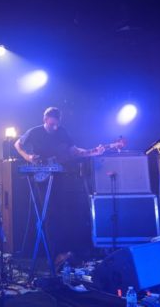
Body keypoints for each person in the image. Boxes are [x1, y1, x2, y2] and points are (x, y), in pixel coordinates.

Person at [14, 107, 105, 269]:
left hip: (58, 175)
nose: (54, 128)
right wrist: (28, 157)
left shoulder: (62, 132)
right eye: (51, 125)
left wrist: (92, 152)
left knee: (61, 214)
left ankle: (62, 255)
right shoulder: (34, 132)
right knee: (49, 214)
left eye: (56, 125)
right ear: (45, 120)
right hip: (41, 175)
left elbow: (74, 151)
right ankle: (54, 254)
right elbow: (17, 144)